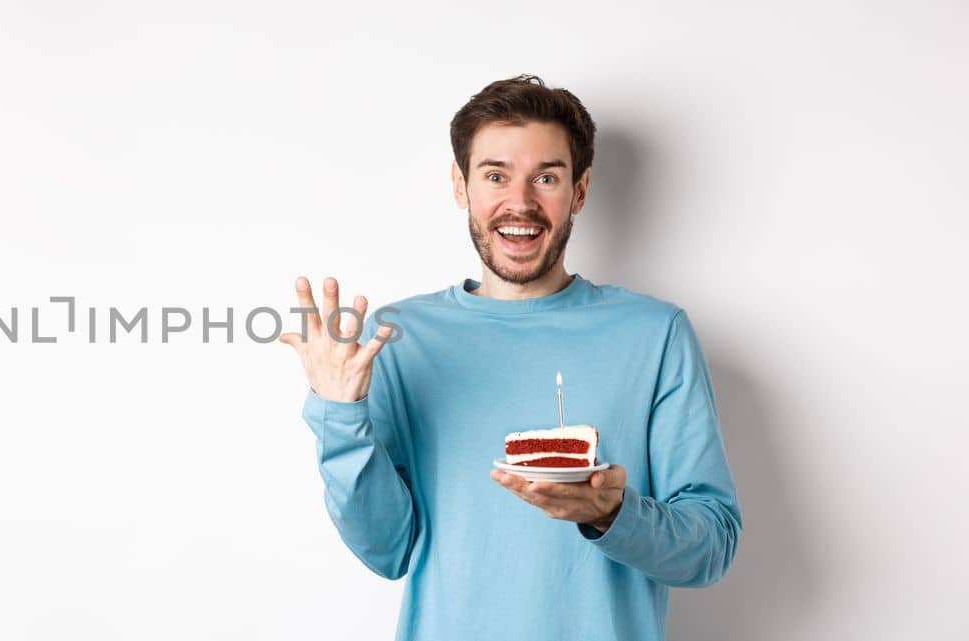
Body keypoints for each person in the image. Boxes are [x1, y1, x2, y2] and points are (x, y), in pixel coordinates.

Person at [278, 75, 742, 641]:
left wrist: (611, 515)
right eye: (495, 175)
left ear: (580, 190)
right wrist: (339, 415)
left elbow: (712, 546)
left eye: (546, 178)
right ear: (461, 185)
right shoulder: (397, 338)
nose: (519, 203)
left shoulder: (655, 334)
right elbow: (388, 552)